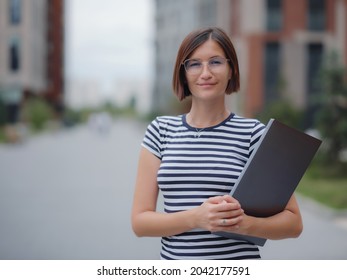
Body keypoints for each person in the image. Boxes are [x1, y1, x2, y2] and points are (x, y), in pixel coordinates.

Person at [131, 27, 303, 260]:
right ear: (183, 73)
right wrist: (197, 218)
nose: (205, 73)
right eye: (194, 64)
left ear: (231, 69)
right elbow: (140, 222)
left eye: (215, 62)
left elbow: (293, 223)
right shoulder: (161, 131)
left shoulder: (253, 133)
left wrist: (243, 224)